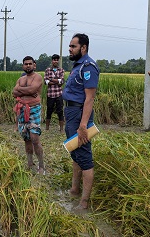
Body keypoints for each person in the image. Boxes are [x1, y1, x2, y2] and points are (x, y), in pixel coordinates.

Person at [62, 33, 100, 210]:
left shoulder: (88, 67)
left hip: (79, 114)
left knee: (84, 156)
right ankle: (74, 190)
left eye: (73, 46)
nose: (69, 49)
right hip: (71, 112)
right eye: (70, 46)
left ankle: (84, 203)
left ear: (83, 48)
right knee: (75, 152)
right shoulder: (77, 66)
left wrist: (83, 125)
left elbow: (89, 99)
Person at [13, 56, 45, 175]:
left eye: (30, 64)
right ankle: (30, 163)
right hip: (22, 109)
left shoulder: (38, 77)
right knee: (26, 138)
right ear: (23, 66)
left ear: (34, 65)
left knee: (35, 138)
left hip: (34, 109)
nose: (28, 66)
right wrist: (26, 90)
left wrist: (21, 90)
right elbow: (14, 92)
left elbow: (32, 90)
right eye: (26, 64)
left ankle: (41, 166)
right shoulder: (21, 79)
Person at [44, 54, 65, 131]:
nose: (55, 61)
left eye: (57, 60)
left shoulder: (61, 70)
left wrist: (51, 79)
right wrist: (57, 80)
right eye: (54, 60)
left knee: (60, 111)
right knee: (49, 110)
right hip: (50, 94)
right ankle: (47, 128)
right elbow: (46, 82)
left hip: (59, 94)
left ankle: (61, 129)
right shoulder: (47, 70)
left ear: (58, 61)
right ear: (52, 61)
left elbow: (62, 82)